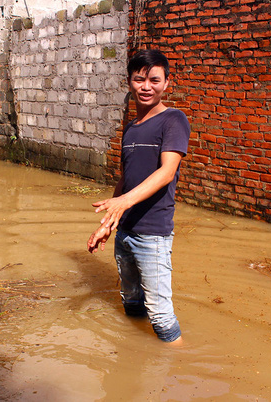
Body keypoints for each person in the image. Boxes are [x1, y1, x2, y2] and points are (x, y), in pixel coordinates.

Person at [87, 49, 191, 343]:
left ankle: (173, 368)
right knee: (130, 301)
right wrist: (108, 224)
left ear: (167, 83)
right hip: (125, 233)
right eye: (140, 80)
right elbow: (126, 178)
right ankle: (131, 354)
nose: (147, 87)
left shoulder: (174, 120)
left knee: (160, 316)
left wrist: (123, 202)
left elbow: (167, 172)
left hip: (152, 235)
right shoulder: (131, 128)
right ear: (130, 82)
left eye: (155, 80)